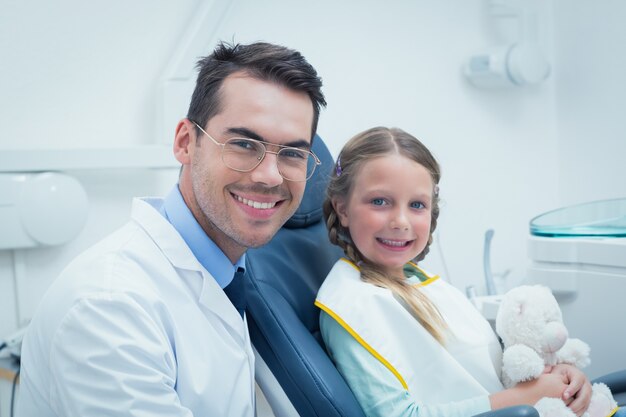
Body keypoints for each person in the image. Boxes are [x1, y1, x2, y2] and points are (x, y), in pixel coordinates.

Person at [17, 41, 326, 417]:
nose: (269, 175)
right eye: (244, 144)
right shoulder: (109, 305)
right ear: (185, 143)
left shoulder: (231, 272)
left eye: (293, 153)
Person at [315, 126, 598, 417]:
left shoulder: (423, 284)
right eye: (379, 201)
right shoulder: (350, 307)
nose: (400, 221)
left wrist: (559, 377)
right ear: (343, 209)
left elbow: (488, 371)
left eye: (416, 205)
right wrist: (524, 397)